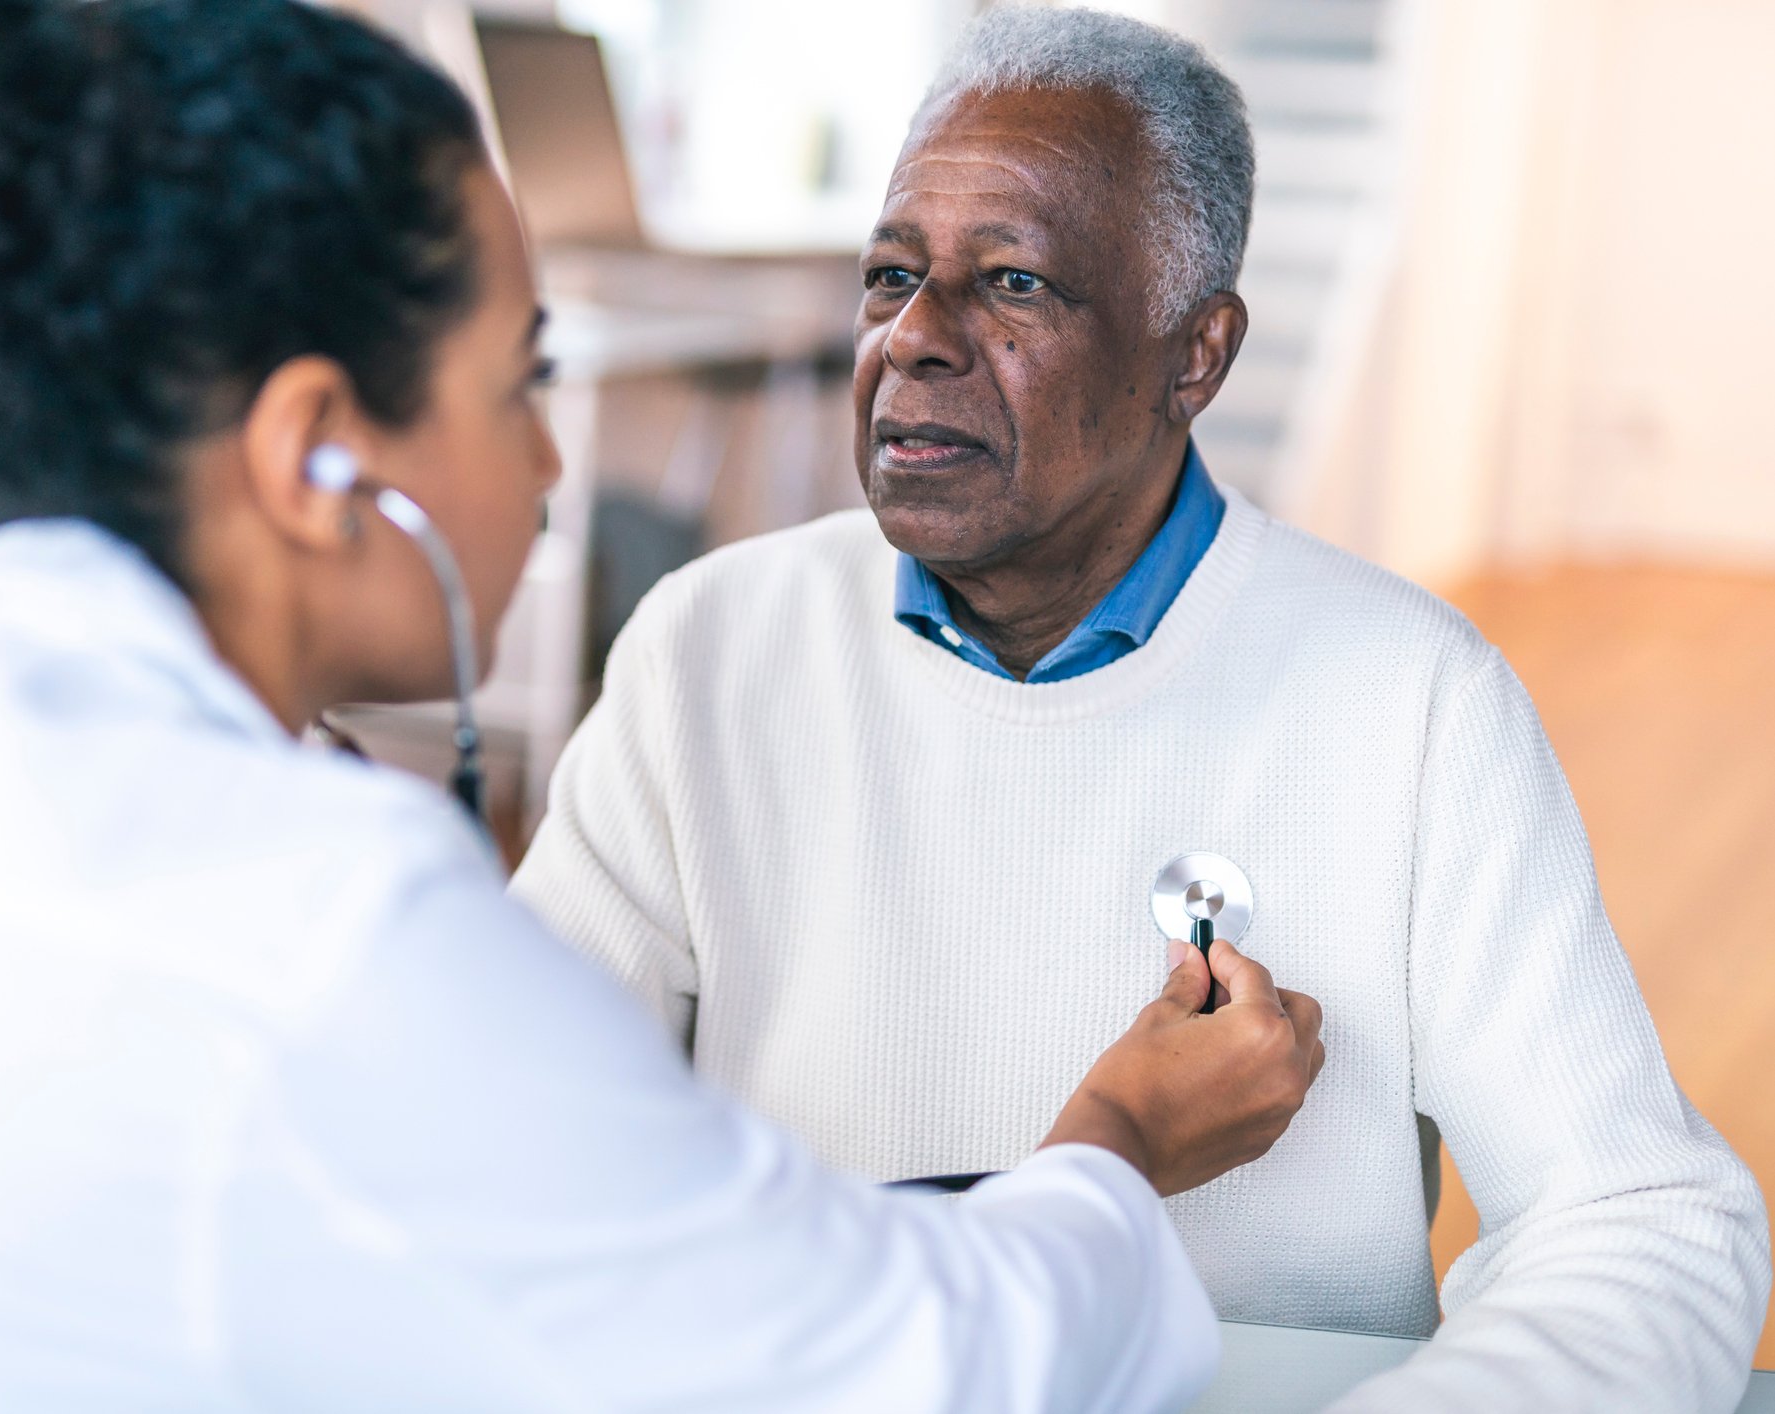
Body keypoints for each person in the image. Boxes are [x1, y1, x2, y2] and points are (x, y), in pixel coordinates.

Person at [0, 3, 1331, 1411]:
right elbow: (899, 1367)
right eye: (519, 379)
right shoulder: (332, 938)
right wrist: (1115, 1135)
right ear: (322, 453)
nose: (544, 463)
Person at [510, 7, 1771, 1411]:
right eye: (888, 275)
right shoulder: (706, 648)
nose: (914, 339)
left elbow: (1642, 1216)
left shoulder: (1413, 697)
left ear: (1196, 356)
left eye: (1012, 285)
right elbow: (507, 1141)